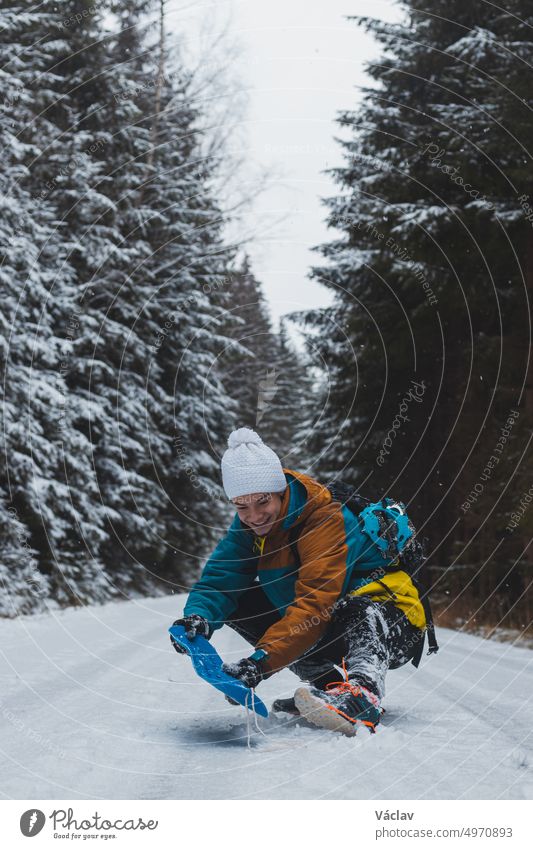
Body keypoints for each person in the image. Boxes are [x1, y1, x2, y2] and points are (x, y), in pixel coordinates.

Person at [170, 427, 428, 734]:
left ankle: (362, 694)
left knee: (359, 609)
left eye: (262, 502)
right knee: (239, 600)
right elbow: (221, 581)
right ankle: (329, 688)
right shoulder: (248, 528)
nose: (254, 516)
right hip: (331, 622)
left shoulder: (324, 519)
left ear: (281, 492)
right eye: (242, 506)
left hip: (392, 622)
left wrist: (259, 663)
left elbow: (314, 606)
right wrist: (197, 619)